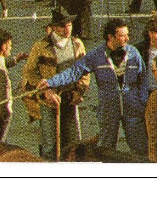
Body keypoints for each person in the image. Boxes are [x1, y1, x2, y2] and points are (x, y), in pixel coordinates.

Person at [39, 18, 149, 157]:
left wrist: (142, 102)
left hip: (132, 108)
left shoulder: (134, 54)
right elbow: (74, 72)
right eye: (122, 35)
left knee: (140, 147)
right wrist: (51, 82)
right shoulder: (96, 56)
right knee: (106, 149)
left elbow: (143, 79)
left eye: (127, 34)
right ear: (110, 37)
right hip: (108, 109)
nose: (127, 38)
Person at [21, 9, 88, 159]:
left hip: (70, 99)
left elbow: (85, 72)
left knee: (73, 142)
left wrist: (80, 91)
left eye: (70, 25)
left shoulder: (77, 44)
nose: (68, 29)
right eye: (64, 26)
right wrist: (45, 91)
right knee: (50, 144)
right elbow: (29, 72)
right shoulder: (41, 46)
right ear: (55, 27)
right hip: (49, 101)